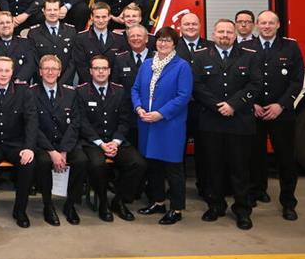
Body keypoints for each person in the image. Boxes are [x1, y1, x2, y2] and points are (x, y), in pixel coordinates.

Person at [192, 19, 261, 230]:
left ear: (235, 35)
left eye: (228, 32)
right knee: (213, 167)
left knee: (240, 168)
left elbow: (255, 85)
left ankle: (242, 209)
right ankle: (216, 205)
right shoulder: (200, 56)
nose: (224, 35)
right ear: (213, 34)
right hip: (211, 121)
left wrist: (233, 105)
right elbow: (196, 85)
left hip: (239, 121)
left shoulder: (250, 56)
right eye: (220, 31)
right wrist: (216, 106)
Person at [131, 27, 193, 225]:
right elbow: (135, 88)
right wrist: (138, 107)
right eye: (160, 40)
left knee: (173, 169)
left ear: (175, 44)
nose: (163, 43)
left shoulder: (182, 66)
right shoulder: (148, 64)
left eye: (167, 40)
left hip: (169, 126)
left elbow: (183, 96)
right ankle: (158, 202)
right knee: (153, 166)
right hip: (147, 124)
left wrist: (160, 113)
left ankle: (176, 208)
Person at [247, 10, 304, 220]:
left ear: (278, 25)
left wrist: (280, 105)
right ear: (257, 26)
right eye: (262, 23)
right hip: (255, 111)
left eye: (271, 23)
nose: (266, 26)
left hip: (282, 113)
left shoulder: (290, 47)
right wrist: (251, 103)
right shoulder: (246, 47)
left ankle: (288, 201)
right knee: (254, 156)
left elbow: (297, 80)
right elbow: (240, 79)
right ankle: (256, 191)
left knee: (286, 158)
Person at [77, 55, 146, 223]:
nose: (100, 72)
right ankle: (102, 203)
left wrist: (115, 142)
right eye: (97, 68)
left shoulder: (120, 91)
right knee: (97, 164)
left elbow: (125, 120)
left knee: (139, 164)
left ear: (109, 71)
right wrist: (101, 144)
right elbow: (82, 123)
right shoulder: (81, 91)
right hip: (93, 142)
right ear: (91, 71)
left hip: (117, 141)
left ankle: (119, 200)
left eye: (104, 68)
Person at [0, 57, 38, 228]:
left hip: (15, 143)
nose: (3, 74)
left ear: (12, 72)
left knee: (28, 165)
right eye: (0, 70)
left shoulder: (23, 91)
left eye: (7, 71)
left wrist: (29, 148)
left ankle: (20, 210)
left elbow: (31, 121)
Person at [32, 54, 89, 226]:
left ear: (59, 72)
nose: (50, 72)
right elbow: (32, 125)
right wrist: (52, 152)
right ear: (40, 72)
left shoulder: (71, 93)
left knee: (81, 161)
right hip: (43, 145)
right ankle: (47, 205)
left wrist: (63, 150)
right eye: (46, 69)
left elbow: (76, 123)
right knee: (42, 162)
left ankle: (70, 205)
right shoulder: (31, 93)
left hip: (67, 143)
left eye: (54, 69)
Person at [176, 11, 213, 197]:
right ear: (180, 27)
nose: (190, 27)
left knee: (205, 150)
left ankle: (205, 187)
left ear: (200, 26)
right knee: (178, 149)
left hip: (204, 107)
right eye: (186, 24)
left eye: (194, 24)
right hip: (180, 108)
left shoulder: (211, 47)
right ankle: (178, 189)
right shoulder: (173, 47)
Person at [27, 0, 78, 86]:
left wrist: (62, 82)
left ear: (60, 11)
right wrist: (46, 80)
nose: (52, 13)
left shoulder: (71, 31)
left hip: (65, 84)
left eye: (55, 9)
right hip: (41, 84)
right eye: (49, 10)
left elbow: (73, 61)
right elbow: (33, 61)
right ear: (43, 11)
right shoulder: (34, 33)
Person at [74, 2, 129, 84]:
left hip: (112, 88)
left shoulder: (119, 39)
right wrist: (95, 85)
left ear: (109, 17)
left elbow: (120, 66)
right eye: (97, 17)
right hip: (88, 88)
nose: (101, 20)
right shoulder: (81, 38)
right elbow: (81, 66)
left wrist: (110, 87)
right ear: (91, 17)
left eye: (104, 17)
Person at [0, 11, 36, 84]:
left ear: (13, 24)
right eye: (1, 23)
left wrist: (18, 80)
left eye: (8, 22)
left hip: (20, 86)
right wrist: (1, 81)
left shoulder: (25, 43)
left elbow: (30, 65)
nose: (5, 25)